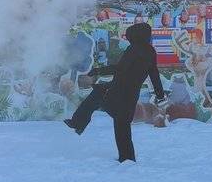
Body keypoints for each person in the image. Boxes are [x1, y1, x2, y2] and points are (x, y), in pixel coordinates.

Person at [64, 23, 165, 163]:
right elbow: (154, 74)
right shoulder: (150, 52)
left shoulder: (134, 49)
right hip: (130, 94)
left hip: (118, 91)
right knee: (122, 125)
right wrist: (160, 94)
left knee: (98, 97)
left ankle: (78, 123)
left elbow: (120, 68)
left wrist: (98, 71)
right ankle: (127, 158)